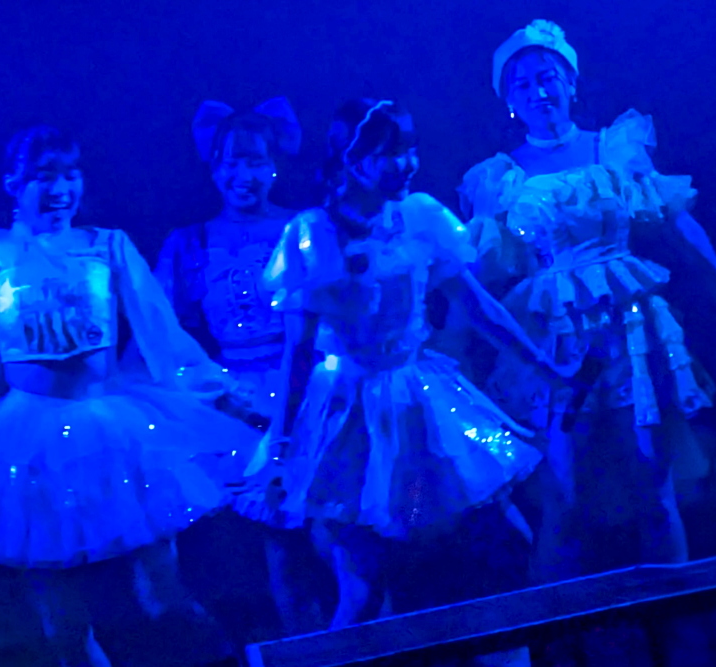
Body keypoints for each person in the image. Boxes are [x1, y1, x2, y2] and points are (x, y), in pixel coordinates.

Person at [237, 99, 569, 641]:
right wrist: (282, 447)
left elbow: (479, 306)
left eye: (411, 149)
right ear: (354, 159)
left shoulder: (419, 216)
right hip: (349, 413)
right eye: (392, 152)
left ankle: (505, 649)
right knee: (366, 583)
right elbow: (297, 353)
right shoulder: (314, 233)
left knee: (503, 535)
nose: (408, 163)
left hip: (421, 396)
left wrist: (546, 367)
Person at [0, 126, 259, 667]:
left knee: (163, 593)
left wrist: (222, 395)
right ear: (13, 182)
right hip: (28, 439)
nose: (61, 188)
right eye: (45, 175)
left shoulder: (106, 247)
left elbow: (162, 336)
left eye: (71, 174)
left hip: (111, 426)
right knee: (62, 621)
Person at [458, 20, 716, 665]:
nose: (539, 91)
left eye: (548, 76)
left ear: (571, 82)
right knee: (565, 503)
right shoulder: (500, 177)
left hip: (632, 332)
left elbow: (679, 223)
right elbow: (477, 276)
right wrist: (451, 344)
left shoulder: (615, 148)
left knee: (655, 492)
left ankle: (682, 642)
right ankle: (559, 648)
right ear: (507, 99)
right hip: (556, 345)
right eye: (523, 83)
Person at [156, 98, 328, 638]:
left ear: (275, 164)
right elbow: (163, 334)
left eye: (255, 161)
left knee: (336, 538)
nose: (243, 176)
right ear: (212, 167)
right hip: (233, 405)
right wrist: (215, 394)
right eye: (231, 163)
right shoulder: (189, 244)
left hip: (312, 393)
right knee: (267, 547)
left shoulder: (304, 228)